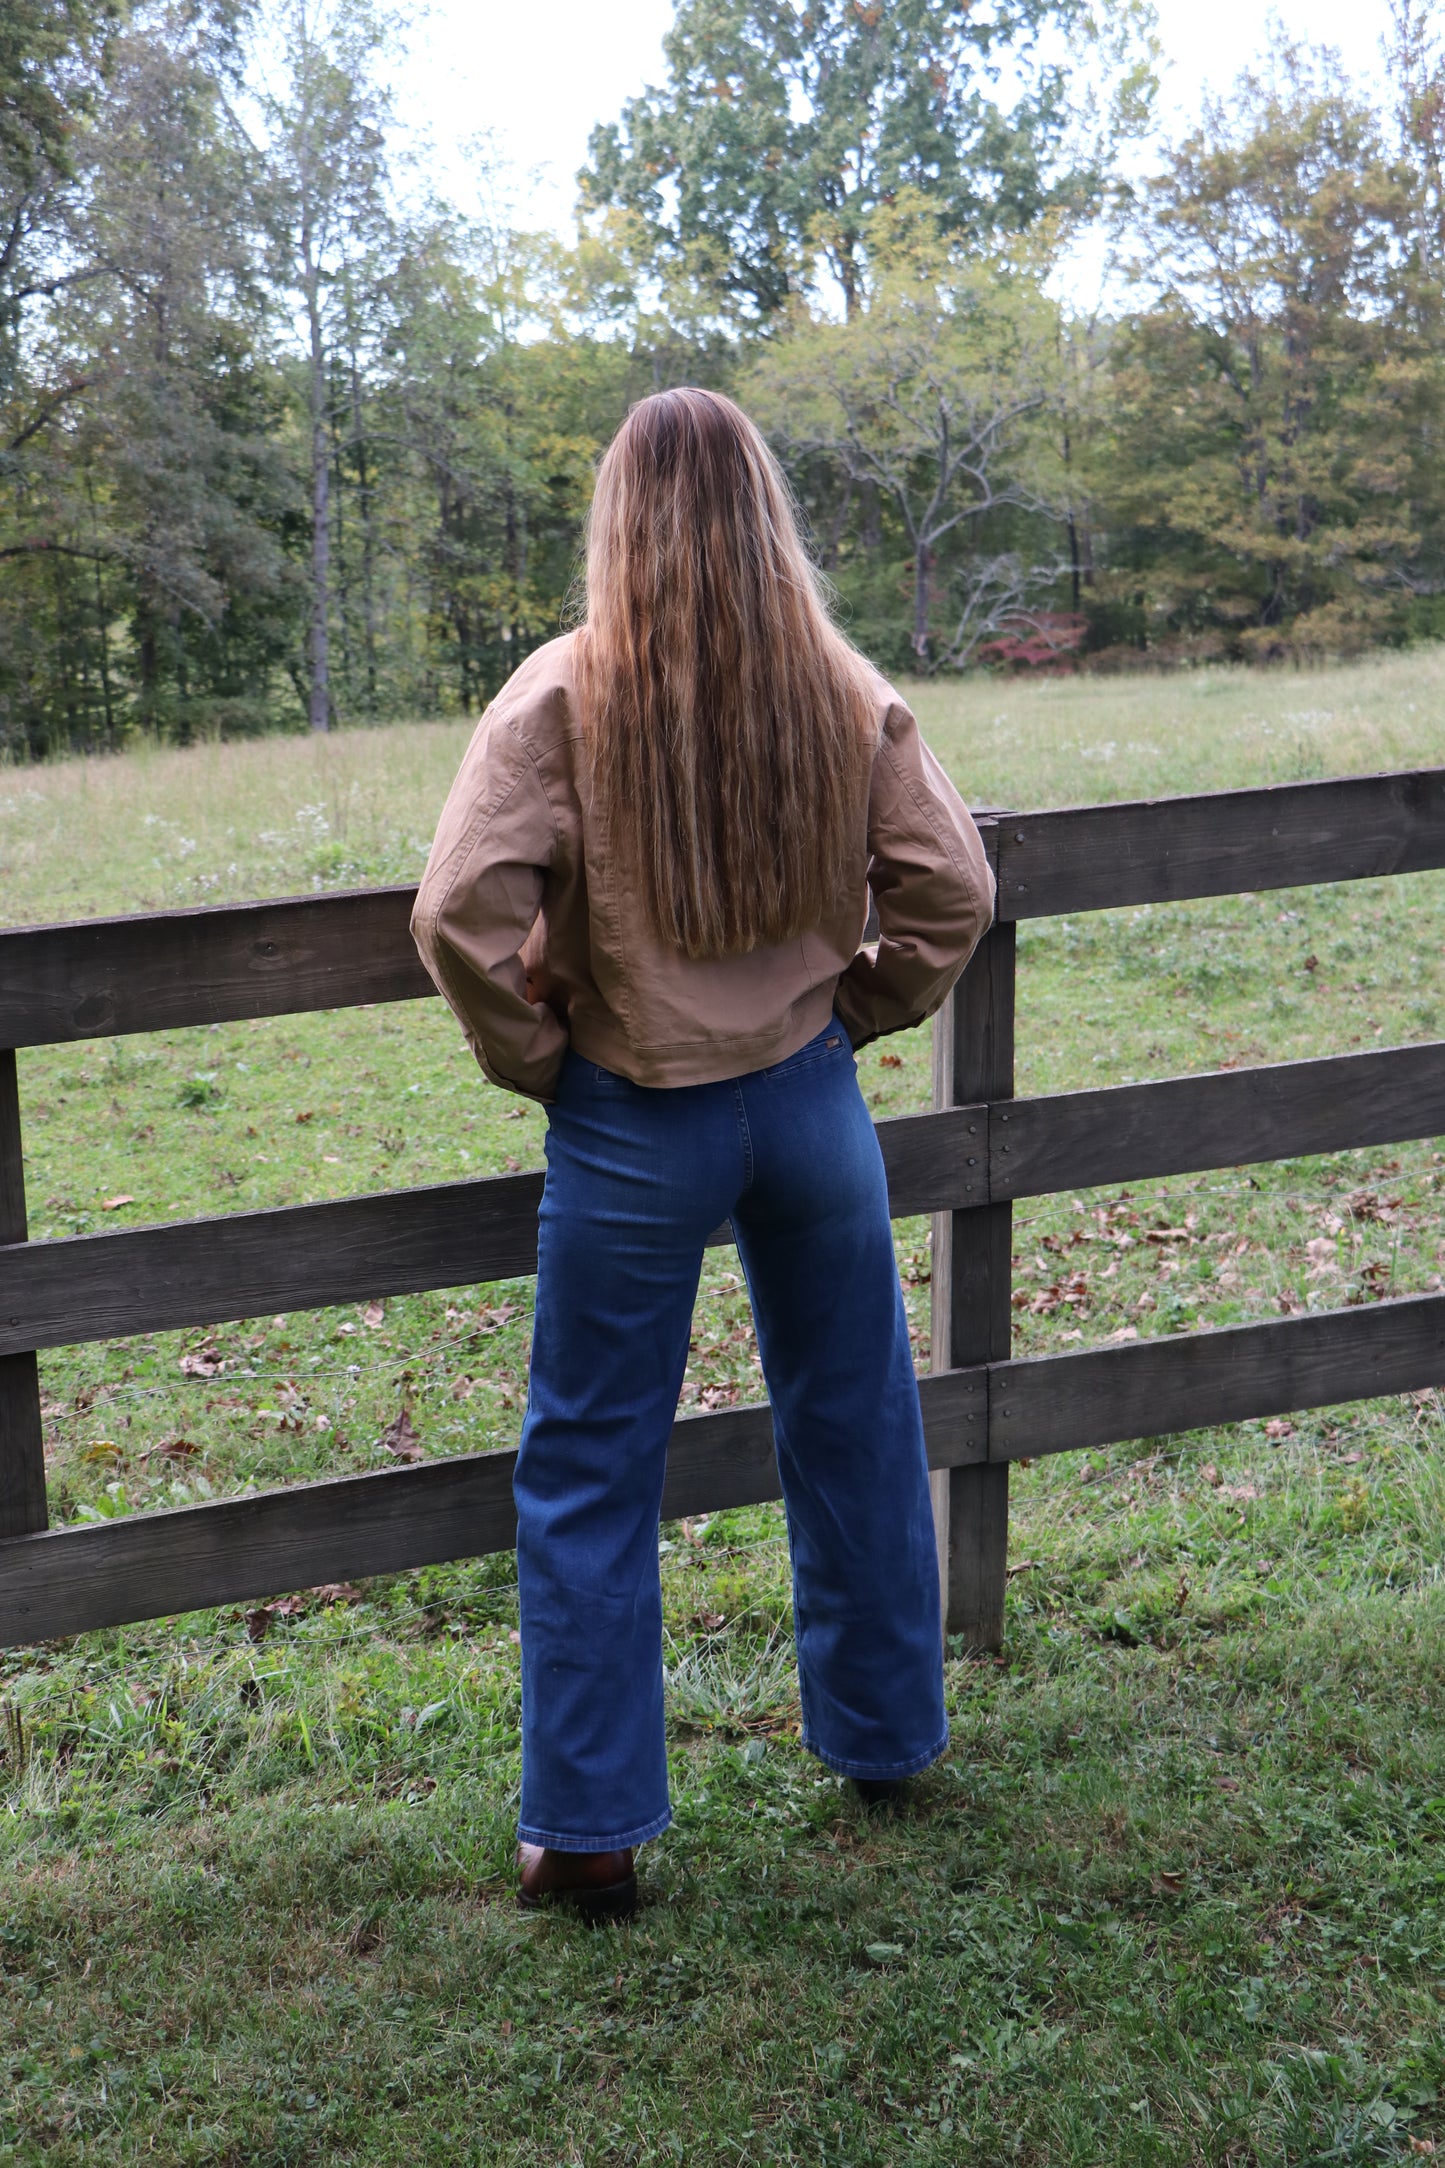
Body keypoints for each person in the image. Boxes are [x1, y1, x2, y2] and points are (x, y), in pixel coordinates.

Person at [412, 387, 994, 1922]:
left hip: (634, 1114)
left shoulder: (560, 693)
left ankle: (591, 1826)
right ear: (763, 514)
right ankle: (884, 1736)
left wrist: (542, 1056)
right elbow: (948, 891)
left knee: (592, 1463)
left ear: (621, 518)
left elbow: (455, 911)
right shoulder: (839, 685)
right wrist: (852, 1012)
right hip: (807, 1109)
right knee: (855, 1419)